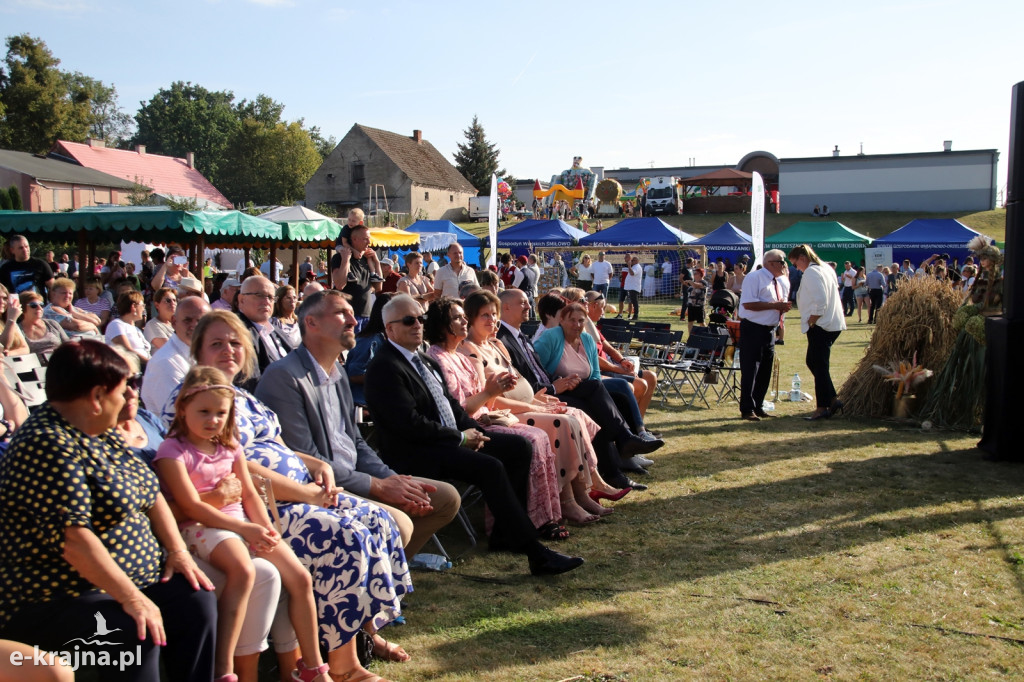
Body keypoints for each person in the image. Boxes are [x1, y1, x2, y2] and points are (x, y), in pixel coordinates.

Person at [171, 310, 413, 678]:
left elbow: (276, 445)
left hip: (297, 492)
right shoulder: (197, 398)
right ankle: (343, 664)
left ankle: (365, 633)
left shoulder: (242, 396)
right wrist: (305, 492)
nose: (228, 350)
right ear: (197, 349)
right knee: (344, 536)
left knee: (377, 519)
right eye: (216, 343)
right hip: (259, 506)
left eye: (235, 342)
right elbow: (234, 464)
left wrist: (317, 465)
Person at [0, 340, 217, 682]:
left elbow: (151, 494)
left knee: (195, 600)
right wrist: (131, 597)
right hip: (59, 594)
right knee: (136, 628)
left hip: (127, 579)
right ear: (97, 397)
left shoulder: (99, 431)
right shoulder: (46, 443)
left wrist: (177, 552)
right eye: (123, 388)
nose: (129, 395)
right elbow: (75, 540)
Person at [365, 294, 584, 576]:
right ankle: (536, 553)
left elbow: (451, 407)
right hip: (417, 452)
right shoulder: (384, 367)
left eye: (421, 318)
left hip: (446, 440)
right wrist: (460, 438)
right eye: (409, 320)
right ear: (390, 329)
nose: (418, 324)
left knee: (517, 447)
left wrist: (477, 432)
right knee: (490, 467)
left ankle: (505, 534)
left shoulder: (422, 361)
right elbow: (410, 425)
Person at [153, 367, 331, 682]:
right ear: (182, 409)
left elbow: (249, 493)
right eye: (204, 411)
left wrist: (265, 529)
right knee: (244, 570)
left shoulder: (230, 446)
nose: (213, 420)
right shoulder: (173, 451)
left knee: (300, 577)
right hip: (201, 527)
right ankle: (224, 669)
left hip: (240, 523)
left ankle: (313, 668)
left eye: (221, 413)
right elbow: (192, 506)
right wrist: (244, 530)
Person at [258, 288, 460, 559]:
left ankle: (384, 573)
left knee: (446, 498)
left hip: (355, 477)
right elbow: (306, 461)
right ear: (312, 323)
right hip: (321, 490)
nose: (354, 322)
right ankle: (373, 583)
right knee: (398, 523)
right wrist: (378, 486)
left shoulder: (337, 372)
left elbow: (355, 440)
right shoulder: (285, 377)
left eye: (352, 314)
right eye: (342, 314)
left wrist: (391, 479)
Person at [457, 291, 622, 517]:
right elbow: (490, 398)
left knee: (573, 413)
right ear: (471, 319)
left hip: (527, 404)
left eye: (493, 315)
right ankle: (568, 500)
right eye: (484, 315)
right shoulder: (469, 351)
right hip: (505, 413)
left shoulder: (496, 344)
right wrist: (534, 407)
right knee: (563, 422)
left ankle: (585, 490)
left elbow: (521, 382)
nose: (492, 320)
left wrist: (538, 399)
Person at [424, 295, 568, 537]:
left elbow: (485, 399)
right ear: (442, 325)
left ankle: (540, 518)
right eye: (457, 318)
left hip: (486, 419)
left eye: (463, 316)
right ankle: (518, 524)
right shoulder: (438, 359)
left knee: (539, 437)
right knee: (528, 441)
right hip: (469, 428)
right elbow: (459, 411)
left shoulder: (459, 356)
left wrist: (495, 389)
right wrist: (491, 391)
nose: (464, 321)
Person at [496, 288, 656, 490]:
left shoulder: (519, 336)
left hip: (553, 386)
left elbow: (542, 371)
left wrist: (560, 381)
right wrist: (554, 387)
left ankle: (625, 444)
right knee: (595, 409)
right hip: (540, 396)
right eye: (522, 302)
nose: (529, 305)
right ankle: (617, 463)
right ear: (506, 307)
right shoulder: (503, 339)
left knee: (600, 389)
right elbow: (521, 383)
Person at [789, 245, 846, 420]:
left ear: (802, 258)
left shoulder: (812, 272)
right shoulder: (825, 268)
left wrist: (812, 319)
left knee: (819, 365)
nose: (796, 268)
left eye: (795, 263)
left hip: (821, 324)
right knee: (814, 362)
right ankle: (832, 398)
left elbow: (820, 299)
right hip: (830, 322)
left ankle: (822, 406)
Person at [737, 249, 792, 421]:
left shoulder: (783, 281)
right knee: (750, 369)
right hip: (752, 327)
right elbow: (748, 304)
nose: (784, 266)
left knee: (765, 370)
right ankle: (747, 408)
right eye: (782, 262)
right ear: (771, 263)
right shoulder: (755, 277)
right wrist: (775, 306)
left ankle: (758, 405)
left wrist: (781, 307)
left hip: (770, 329)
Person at [141, 296, 210, 414]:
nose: (194, 325)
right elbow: (183, 416)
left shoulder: (199, 354)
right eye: (187, 320)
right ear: (174, 322)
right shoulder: (166, 363)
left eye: (200, 321)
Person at [236, 276, 295, 389]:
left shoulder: (275, 330)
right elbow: (249, 383)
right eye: (259, 295)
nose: (267, 302)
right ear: (241, 300)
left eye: (271, 297)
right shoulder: (236, 331)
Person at [331, 210, 382, 330]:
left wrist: (377, 262)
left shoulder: (366, 260)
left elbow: (379, 287)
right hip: (349, 317)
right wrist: (345, 260)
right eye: (365, 239)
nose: (369, 242)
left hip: (367, 315)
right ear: (354, 239)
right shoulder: (339, 257)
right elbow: (339, 284)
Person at [105, 290, 151, 368]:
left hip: (144, 367)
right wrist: (152, 364)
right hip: (130, 368)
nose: (143, 309)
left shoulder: (136, 329)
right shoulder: (116, 324)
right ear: (133, 307)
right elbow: (127, 350)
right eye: (142, 305)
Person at [0, 285, 28, 357]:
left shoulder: (8, 321)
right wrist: (11, 320)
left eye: (5, 298)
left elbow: (25, 349)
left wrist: (9, 354)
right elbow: (4, 345)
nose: (2, 302)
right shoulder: (11, 320)